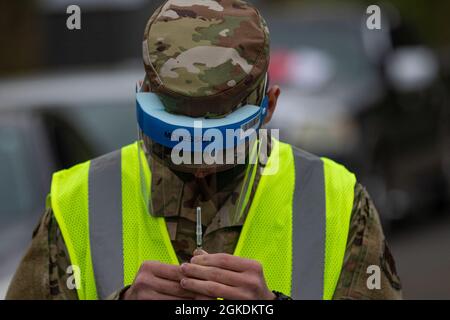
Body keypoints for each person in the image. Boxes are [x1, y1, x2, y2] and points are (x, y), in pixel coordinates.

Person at [6, 0, 402, 300]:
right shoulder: (78, 202)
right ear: (142, 98)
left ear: (271, 107)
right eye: (175, 133)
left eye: (219, 137)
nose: (197, 162)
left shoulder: (336, 201)